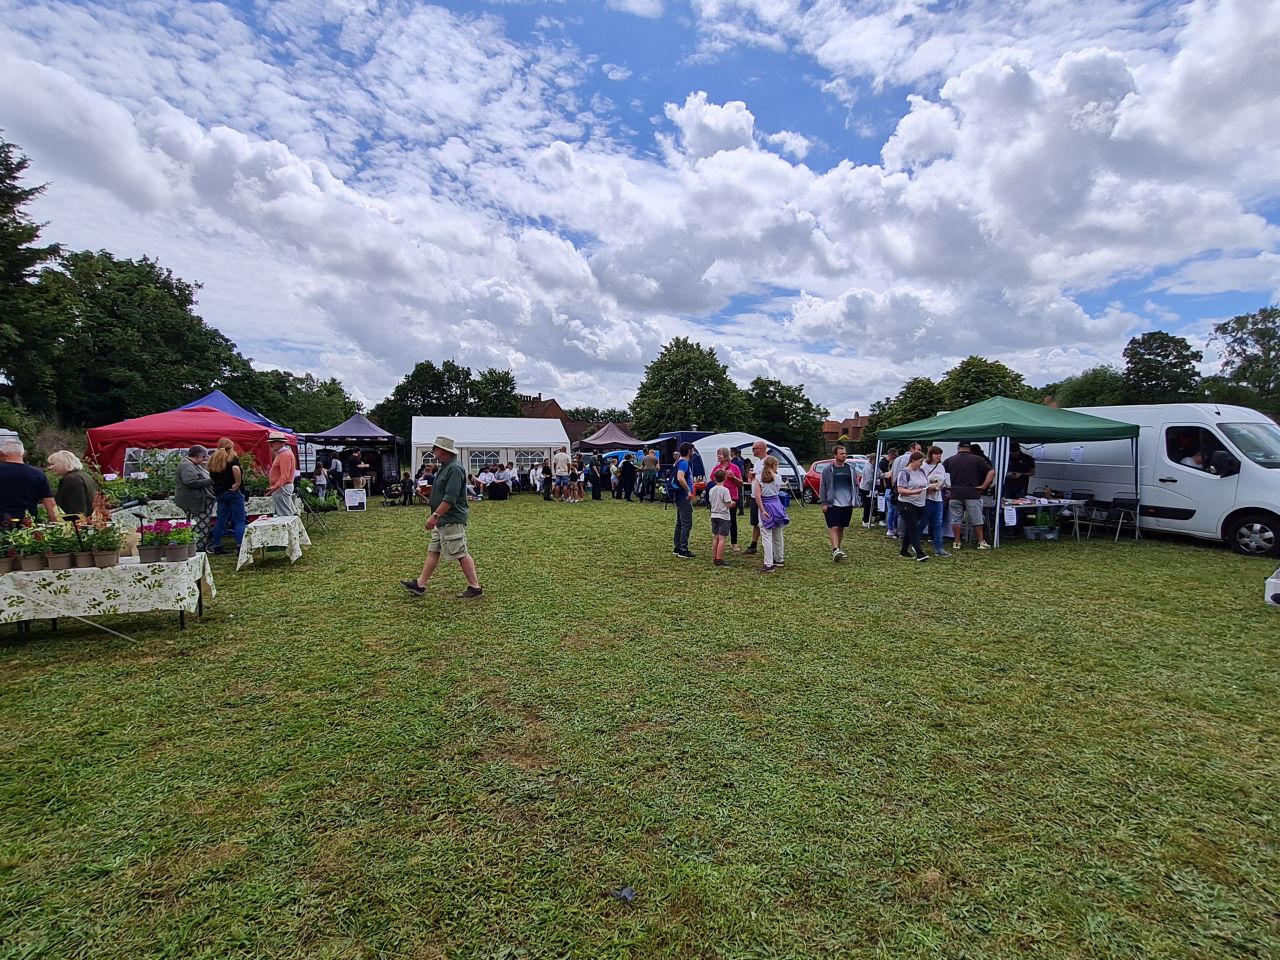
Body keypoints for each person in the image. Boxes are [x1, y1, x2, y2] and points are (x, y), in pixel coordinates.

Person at [401, 434, 483, 599]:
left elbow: (450, 498)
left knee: (460, 552)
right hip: (443, 519)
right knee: (434, 550)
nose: (433, 451)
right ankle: (420, 584)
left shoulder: (454, 468)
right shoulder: (445, 466)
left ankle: (475, 587)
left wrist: (435, 515)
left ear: (444, 451)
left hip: (450, 518)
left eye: (436, 448)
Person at [944, 441, 995, 550]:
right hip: (972, 493)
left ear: (958, 448)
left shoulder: (950, 460)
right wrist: (984, 485)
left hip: (955, 493)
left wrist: (946, 485)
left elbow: (940, 473)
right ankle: (981, 542)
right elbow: (991, 472)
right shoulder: (978, 459)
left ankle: (957, 542)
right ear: (970, 448)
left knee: (956, 519)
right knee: (977, 519)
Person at [0, 437, 60, 523]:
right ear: (23, 453)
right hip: (27, 525)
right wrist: (57, 526)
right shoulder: (38, 474)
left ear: (1, 454)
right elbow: (51, 504)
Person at [819, 444, 859, 561]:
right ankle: (835, 549)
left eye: (845, 453)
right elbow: (823, 486)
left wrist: (855, 499)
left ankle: (838, 548)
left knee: (841, 527)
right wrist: (824, 502)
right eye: (841, 453)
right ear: (835, 455)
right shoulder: (828, 469)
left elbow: (855, 484)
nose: (844, 455)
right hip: (833, 503)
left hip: (847, 503)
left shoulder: (850, 469)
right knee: (833, 526)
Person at [207, 438, 246, 555]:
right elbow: (235, 468)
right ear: (231, 447)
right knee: (239, 520)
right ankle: (240, 545)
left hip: (220, 492)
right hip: (233, 491)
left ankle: (217, 545)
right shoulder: (231, 458)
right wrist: (238, 483)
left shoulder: (214, 459)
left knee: (220, 520)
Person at [175, 444, 216, 551]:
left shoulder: (191, 464)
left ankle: (197, 547)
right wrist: (212, 480)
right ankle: (197, 548)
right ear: (198, 455)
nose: (205, 460)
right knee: (199, 525)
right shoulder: (186, 465)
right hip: (195, 502)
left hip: (198, 501)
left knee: (200, 524)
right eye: (203, 457)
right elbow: (190, 482)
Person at [754, 455, 789, 573]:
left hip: (765, 506)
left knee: (766, 536)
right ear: (774, 466)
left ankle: (768, 563)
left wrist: (762, 510)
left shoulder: (758, 478)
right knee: (778, 533)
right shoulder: (778, 477)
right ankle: (779, 559)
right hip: (777, 506)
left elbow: (757, 497)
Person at [895, 450, 930, 562]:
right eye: (920, 461)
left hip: (920, 503)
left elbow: (925, 485)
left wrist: (933, 487)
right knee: (913, 527)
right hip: (906, 503)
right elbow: (900, 489)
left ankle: (904, 551)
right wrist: (914, 492)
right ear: (913, 460)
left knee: (910, 527)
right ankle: (920, 553)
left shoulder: (922, 471)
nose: (921, 463)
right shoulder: (904, 473)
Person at [919, 445, 951, 557]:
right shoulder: (924, 466)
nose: (938, 456)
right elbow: (921, 481)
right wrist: (930, 486)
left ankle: (939, 548)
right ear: (931, 454)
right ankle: (915, 544)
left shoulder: (941, 467)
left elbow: (943, 480)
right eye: (936, 454)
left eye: (940, 454)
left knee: (938, 523)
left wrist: (941, 486)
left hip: (938, 498)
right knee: (923, 522)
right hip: (927, 498)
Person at [48, 450, 99, 519]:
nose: (50, 468)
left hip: (78, 523)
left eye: (52, 464)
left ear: (64, 463)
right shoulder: (84, 475)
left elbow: (77, 509)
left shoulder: (71, 480)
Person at [711, 446, 743, 552]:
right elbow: (712, 479)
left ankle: (734, 543)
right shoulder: (717, 467)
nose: (718, 456)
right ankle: (718, 540)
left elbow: (741, 483)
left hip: (732, 496)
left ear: (725, 455)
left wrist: (733, 477)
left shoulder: (734, 467)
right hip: (719, 498)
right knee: (718, 519)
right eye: (717, 454)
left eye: (720, 454)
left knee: (732, 520)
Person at [265, 432, 298, 516]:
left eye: (273, 442)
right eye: (270, 442)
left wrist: (275, 487)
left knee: (285, 514)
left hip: (282, 488)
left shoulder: (285, 455)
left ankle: (288, 529)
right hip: (281, 487)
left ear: (281, 442)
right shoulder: (282, 453)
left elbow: (285, 475)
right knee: (288, 512)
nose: (270, 444)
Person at [744, 439, 768, 554]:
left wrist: (756, 475)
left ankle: (768, 544)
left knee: (764, 521)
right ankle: (753, 545)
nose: (753, 451)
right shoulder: (757, 462)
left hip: (764, 497)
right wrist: (751, 477)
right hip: (754, 495)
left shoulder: (768, 461)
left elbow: (770, 476)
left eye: (755, 448)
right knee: (755, 521)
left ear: (762, 449)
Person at [671, 442, 695, 559]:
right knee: (686, 522)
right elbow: (680, 478)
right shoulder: (684, 463)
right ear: (689, 451)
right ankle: (683, 549)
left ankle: (677, 546)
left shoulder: (678, 462)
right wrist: (689, 491)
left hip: (679, 495)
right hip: (683, 496)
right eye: (692, 450)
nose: (694, 453)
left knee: (680, 522)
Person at [708, 468, 735, 566]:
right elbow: (728, 504)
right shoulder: (725, 490)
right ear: (725, 478)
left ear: (714, 478)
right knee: (722, 538)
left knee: (715, 537)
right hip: (723, 516)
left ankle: (715, 557)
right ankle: (719, 559)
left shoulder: (711, 490)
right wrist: (733, 503)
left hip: (714, 514)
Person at [879, 446, 899, 538]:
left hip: (887, 491)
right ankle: (894, 528)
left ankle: (889, 529)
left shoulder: (886, 473)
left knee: (890, 511)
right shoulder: (894, 473)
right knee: (895, 512)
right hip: (892, 492)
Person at [859, 453, 878, 528]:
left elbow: (878, 473)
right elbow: (869, 480)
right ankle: (865, 520)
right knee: (867, 505)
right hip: (866, 489)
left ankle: (867, 519)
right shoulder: (868, 468)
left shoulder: (873, 466)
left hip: (869, 488)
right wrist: (876, 481)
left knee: (870, 505)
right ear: (872, 460)